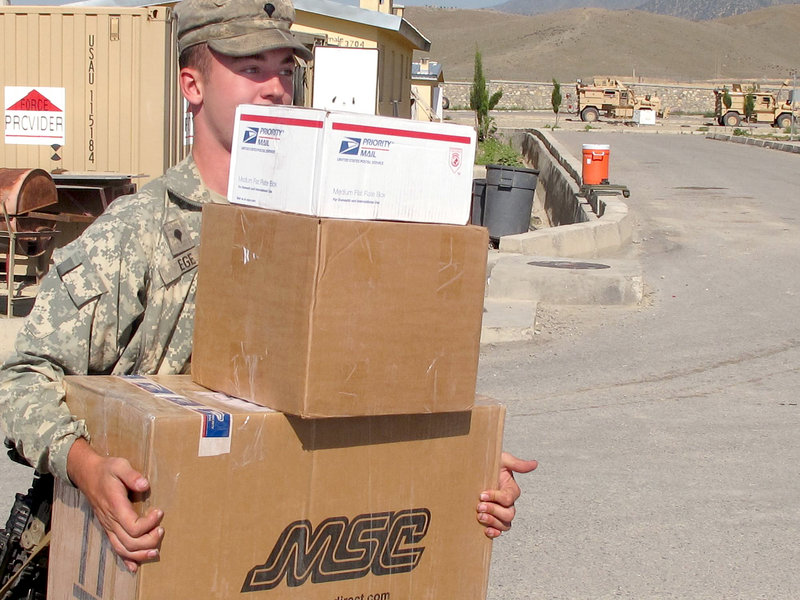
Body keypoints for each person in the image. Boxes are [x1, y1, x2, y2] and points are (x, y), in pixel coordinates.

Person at [0, 0, 537, 574]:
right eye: (251, 67)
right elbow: (22, 378)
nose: (277, 87)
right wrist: (84, 464)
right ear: (193, 84)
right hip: (149, 557)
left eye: (286, 68)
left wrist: (459, 465)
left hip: (274, 551)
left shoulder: (338, 233)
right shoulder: (140, 234)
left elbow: (364, 395)